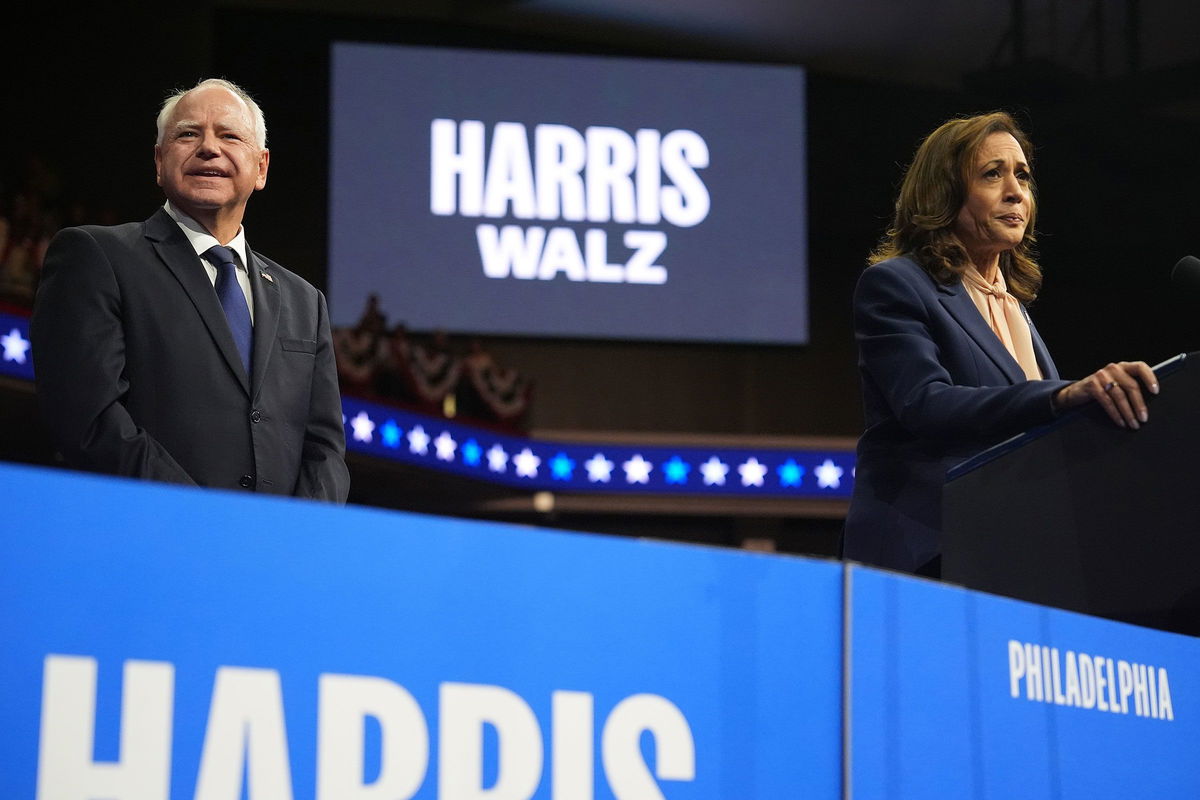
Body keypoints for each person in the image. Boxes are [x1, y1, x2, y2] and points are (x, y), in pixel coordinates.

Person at [843, 111, 1156, 576]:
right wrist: (1062, 396)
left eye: (1022, 176)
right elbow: (926, 404)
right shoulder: (896, 284)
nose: (1016, 192)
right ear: (943, 193)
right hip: (927, 549)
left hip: (1009, 548)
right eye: (993, 174)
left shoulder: (1014, 307)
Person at [31, 78, 349, 502]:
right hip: (146, 529)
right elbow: (89, 419)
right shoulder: (96, 256)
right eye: (188, 134)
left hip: (275, 541)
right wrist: (202, 518)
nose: (209, 148)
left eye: (229, 135)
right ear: (159, 161)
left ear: (261, 167)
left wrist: (294, 530)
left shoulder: (305, 301)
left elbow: (325, 449)